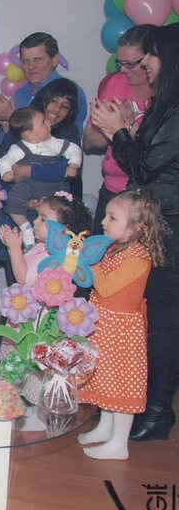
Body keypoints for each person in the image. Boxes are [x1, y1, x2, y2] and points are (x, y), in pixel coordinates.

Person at [90, 23, 179, 441]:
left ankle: (158, 412)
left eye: (153, 56)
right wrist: (128, 130)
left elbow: (143, 167)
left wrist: (118, 133)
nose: (146, 64)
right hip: (156, 224)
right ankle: (129, 404)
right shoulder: (165, 104)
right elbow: (145, 161)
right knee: (147, 319)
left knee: (164, 322)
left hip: (171, 230)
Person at [78, 190, 164, 460]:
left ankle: (119, 444)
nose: (104, 221)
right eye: (106, 215)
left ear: (135, 228)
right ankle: (106, 428)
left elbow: (106, 287)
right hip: (106, 325)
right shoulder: (115, 248)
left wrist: (90, 262)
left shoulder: (138, 257)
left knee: (121, 384)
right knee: (106, 380)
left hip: (122, 331)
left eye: (112, 217)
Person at [0, 192, 93, 360]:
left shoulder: (54, 258)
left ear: (64, 229)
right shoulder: (42, 247)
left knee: (30, 359)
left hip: (37, 320)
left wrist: (14, 249)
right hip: (29, 314)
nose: (35, 221)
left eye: (43, 219)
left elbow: (25, 280)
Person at [83, 25, 156, 235]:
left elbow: (156, 155)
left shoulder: (167, 91)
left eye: (131, 64)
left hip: (150, 198)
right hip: (114, 190)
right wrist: (106, 125)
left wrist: (125, 128)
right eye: (120, 63)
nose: (124, 70)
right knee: (100, 251)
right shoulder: (116, 82)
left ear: (152, 59)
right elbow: (89, 143)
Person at [0, 108, 82, 248]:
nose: (48, 123)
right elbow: (4, 161)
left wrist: (73, 165)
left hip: (52, 187)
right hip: (28, 186)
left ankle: (56, 243)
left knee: (57, 212)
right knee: (12, 202)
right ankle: (25, 228)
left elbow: (74, 149)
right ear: (28, 133)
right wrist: (6, 172)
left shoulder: (55, 143)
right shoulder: (18, 148)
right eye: (43, 122)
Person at [0, 32, 88, 134]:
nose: (30, 67)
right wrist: (6, 124)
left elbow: (66, 139)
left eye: (37, 60)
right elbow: (11, 142)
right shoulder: (20, 94)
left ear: (54, 60)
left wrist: (12, 116)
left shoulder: (70, 92)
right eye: (25, 61)